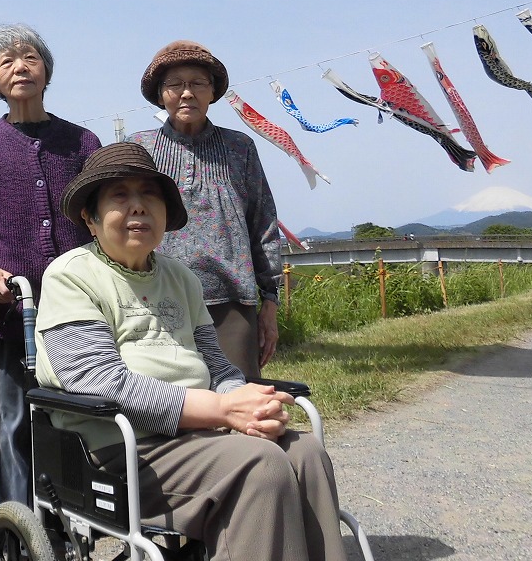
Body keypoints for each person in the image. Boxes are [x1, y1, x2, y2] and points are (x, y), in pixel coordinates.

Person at [35, 143, 347, 561]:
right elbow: (98, 381)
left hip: (199, 435)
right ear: (90, 219)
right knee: (260, 465)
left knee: (306, 453)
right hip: (123, 448)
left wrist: (240, 401)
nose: (138, 207)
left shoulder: (181, 278)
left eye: (149, 194)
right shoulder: (71, 275)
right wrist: (221, 411)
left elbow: (216, 364)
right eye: (120, 196)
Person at [0, 24, 100, 505]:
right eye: (7, 61)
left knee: (77, 419)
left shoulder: (82, 143)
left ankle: (70, 522)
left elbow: (103, 219)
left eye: (29, 57)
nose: (20, 67)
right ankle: (19, 531)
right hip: (5, 316)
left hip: (76, 313)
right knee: (12, 424)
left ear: (47, 71)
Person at [129, 40, 281, 379]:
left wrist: (269, 300)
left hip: (231, 300)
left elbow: (264, 223)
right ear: (160, 94)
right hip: (154, 298)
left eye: (198, 83)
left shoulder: (240, 147)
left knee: (239, 399)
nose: (186, 93)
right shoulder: (139, 148)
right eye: (175, 84)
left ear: (212, 92)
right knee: (168, 407)